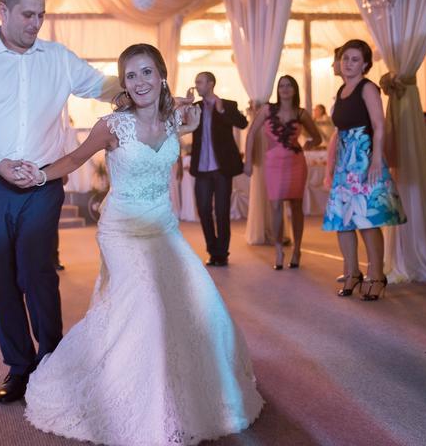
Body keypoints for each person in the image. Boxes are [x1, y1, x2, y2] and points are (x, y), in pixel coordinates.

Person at [19, 44, 263, 444]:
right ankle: (136, 403)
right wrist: (41, 176)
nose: (139, 82)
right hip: (122, 230)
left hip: (163, 227)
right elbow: (75, 159)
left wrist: (187, 115)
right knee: (147, 306)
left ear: (162, 75)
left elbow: (187, 118)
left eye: (147, 72)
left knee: (203, 305)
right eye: (131, 76)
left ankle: (190, 392)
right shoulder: (112, 126)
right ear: (124, 83)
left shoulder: (176, 119)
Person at [0, 0, 120, 404]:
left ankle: (52, 360)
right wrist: (0, 163)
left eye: (41, 14)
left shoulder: (58, 57)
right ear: (3, 11)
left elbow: (102, 86)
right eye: (27, 14)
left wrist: (146, 84)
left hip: (45, 183)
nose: (36, 23)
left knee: (37, 272)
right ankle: (19, 366)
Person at [323, 39, 406, 301]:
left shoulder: (368, 88)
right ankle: (351, 273)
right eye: (345, 58)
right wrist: (330, 168)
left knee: (367, 221)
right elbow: (338, 133)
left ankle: (377, 275)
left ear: (365, 64)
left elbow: (379, 125)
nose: (348, 63)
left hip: (364, 159)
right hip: (344, 163)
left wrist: (376, 160)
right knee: (343, 222)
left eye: (355, 59)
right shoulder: (341, 90)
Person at [245, 75, 322, 269]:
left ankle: (297, 250)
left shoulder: (301, 113)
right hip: (273, 164)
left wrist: (309, 143)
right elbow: (251, 133)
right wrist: (248, 161)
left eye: (289, 86)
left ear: (295, 90)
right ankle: (278, 249)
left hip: (296, 163)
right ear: (277, 90)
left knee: (296, 206)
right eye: (281, 86)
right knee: (276, 205)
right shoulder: (267, 110)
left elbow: (317, 137)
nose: (285, 89)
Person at [188, 72, 248, 267]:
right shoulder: (195, 107)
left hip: (222, 167)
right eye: (196, 82)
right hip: (202, 167)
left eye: (200, 82)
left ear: (211, 83)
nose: (196, 85)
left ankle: (221, 253)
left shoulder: (228, 105)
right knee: (204, 209)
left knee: (222, 211)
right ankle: (212, 250)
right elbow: (181, 125)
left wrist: (222, 111)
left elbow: (242, 123)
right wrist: (185, 105)